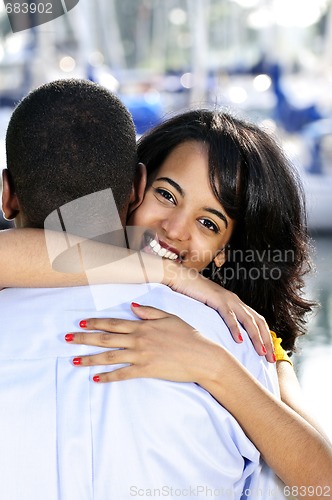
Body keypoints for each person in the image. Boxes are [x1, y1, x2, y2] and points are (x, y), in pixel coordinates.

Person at [1, 104, 332, 492]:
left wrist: (214, 367)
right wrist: (172, 274)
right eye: (167, 195)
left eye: (208, 223)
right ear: (137, 188)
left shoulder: (245, 347)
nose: (174, 229)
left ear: (225, 250)